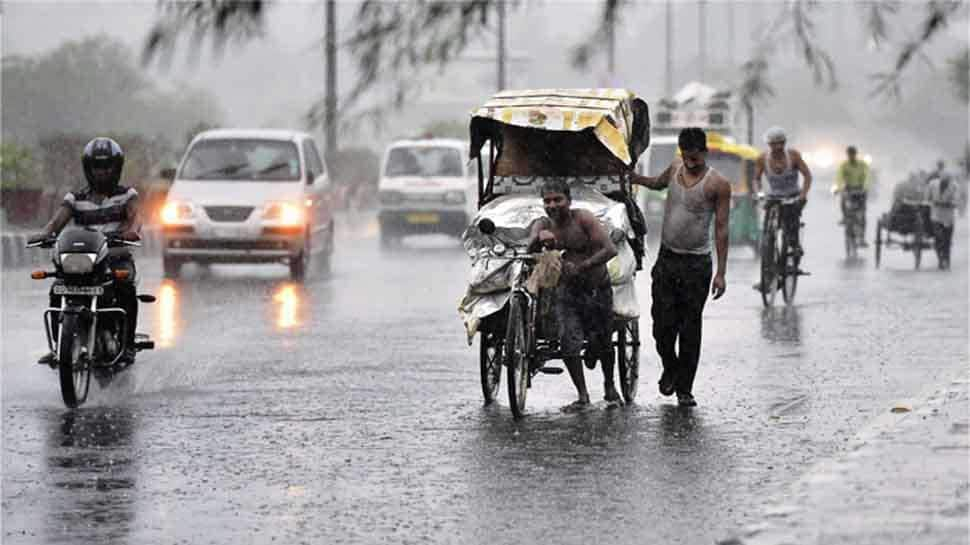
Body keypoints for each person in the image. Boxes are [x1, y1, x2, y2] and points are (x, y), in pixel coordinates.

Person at [629, 127, 731, 407]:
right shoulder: (675, 166)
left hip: (697, 264)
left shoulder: (718, 184)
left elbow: (721, 230)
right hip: (667, 259)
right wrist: (635, 178)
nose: (690, 163)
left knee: (689, 327)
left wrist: (721, 273)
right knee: (662, 325)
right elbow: (658, 184)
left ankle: (684, 388)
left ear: (705, 153)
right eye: (686, 157)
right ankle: (670, 367)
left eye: (695, 158)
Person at [31, 137, 142, 366]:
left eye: (107, 166)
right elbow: (56, 223)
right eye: (96, 166)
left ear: (117, 167)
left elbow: (135, 219)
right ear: (87, 168)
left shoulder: (127, 195)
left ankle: (128, 345)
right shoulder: (75, 198)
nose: (101, 172)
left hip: (115, 259)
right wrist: (45, 234)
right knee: (56, 289)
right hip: (84, 260)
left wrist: (132, 231)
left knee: (126, 289)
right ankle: (57, 348)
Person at [527, 179, 618, 412]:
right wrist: (539, 240)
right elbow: (529, 251)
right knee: (568, 342)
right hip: (567, 292)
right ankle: (583, 395)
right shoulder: (542, 224)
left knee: (603, 342)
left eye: (558, 199)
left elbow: (610, 249)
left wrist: (583, 266)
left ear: (569, 201)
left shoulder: (584, 219)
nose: (552, 205)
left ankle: (610, 384)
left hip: (597, 289)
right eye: (547, 201)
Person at [752, 127, 813, 256]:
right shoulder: (762, 158)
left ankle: (794, 244)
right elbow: (756, 179)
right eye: (774, 144)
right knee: (768, 215)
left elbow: (807, 176)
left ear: (785, 143)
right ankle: (768, 241)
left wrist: (803, 195)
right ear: (769, 145)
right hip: (774, 196)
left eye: (781, 143)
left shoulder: (793, 155)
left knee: (791, 218)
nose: (778, 147)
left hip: (793, 195)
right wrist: (760, 193)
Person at [834, 146, 871, 245]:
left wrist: (865, 187)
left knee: (862, 214)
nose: (851, 156)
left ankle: (862, 237)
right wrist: (840, 187)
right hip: (848, 189)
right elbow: (839, 177)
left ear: (855, 154)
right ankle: (844, 217)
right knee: (843, 201)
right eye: (849, 154)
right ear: (847, 155)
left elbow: (868, 176)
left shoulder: (862, 165)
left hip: (860, 190)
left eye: (853, 154)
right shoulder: (844, 165)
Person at [926, 172, 959, 269]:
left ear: (950, 181)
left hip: (948, 217)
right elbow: (927, 198)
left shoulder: (954, 186)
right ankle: (940, 259)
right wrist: (932, 202)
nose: (945, 183)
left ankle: (947, 260)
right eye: (943, 181)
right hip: (936, 216)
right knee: (939, 238)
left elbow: (957, 201)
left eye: (947, 181)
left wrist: (949, 203)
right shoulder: (932, 184)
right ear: (940, 179)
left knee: (947, 240)